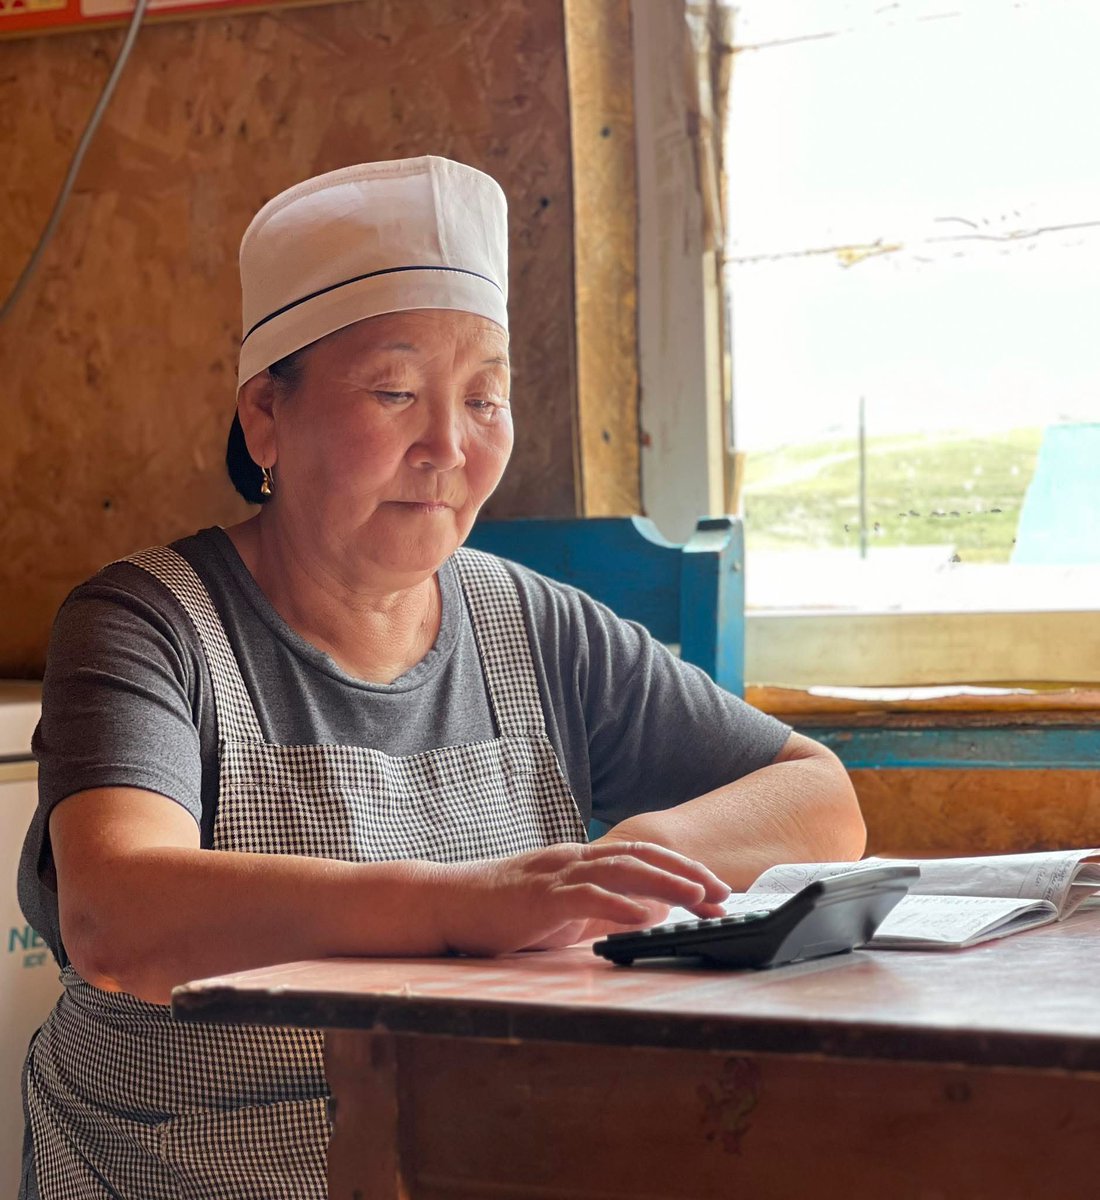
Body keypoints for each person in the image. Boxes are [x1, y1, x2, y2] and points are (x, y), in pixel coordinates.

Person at [17, 156, 865, 1199]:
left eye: (485, 399)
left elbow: (817, 794)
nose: (447, 446)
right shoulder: (147, 622)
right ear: (264, 418)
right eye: (394, 391)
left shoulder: (529, 620)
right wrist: (476, 899)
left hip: (467, 1161)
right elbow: (120, 916)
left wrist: (623, 866)